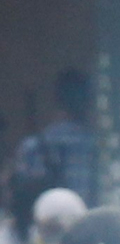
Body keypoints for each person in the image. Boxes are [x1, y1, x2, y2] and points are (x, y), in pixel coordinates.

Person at [10, 69, 97, 209]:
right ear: (88, 102)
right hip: (88, 225)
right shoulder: (97, 146)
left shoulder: (32, 147)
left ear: (56, 100)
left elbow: (20, 198)